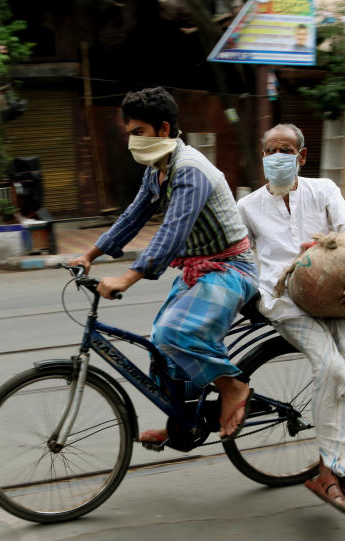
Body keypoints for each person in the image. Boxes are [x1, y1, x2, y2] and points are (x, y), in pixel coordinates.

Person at [69, 87, 258, 441]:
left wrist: (127, 278)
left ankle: (233, 386)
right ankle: (182, 424)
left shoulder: (190, 170)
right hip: (201, 270)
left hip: (232, 269)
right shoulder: (158, 168)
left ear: (164, 129)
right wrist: (90, 255)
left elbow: (171, 235)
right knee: (160, 343)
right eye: (128, 134)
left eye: (138, 132)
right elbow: (133, 216)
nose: (131, 141)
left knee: (175, 334)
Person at [237, 123, 345, 514]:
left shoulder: (324, 190)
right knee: (333, 368)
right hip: (282, 299)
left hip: (329, 297)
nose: (277, 157)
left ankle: (342, 467)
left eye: (285, 150)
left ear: (301, 157)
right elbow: (237, 254)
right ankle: (328, 469)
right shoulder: (248, 206)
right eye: (270, 151)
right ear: (262, 157)